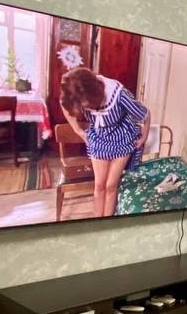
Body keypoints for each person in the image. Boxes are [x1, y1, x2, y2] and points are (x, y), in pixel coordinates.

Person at [58, 66, 150, 217]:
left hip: (122, 138)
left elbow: (145, 114)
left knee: (110, 185)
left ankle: (107, 222)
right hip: (99, 138)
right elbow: (64, 105)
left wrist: (144, 137)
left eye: (86, 105)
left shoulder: (119, 95)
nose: (84, 108)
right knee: (99, 185)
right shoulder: (76, 94)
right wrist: (78, 131)